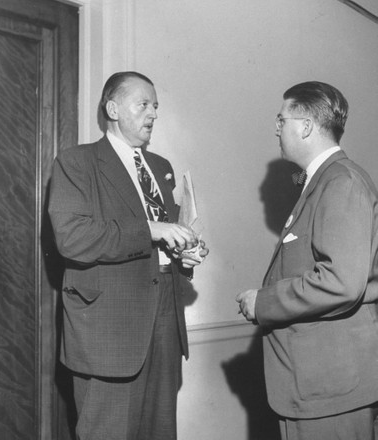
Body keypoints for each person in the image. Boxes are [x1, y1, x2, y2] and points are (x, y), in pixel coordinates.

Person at [48, 71, 208, 440]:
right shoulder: (76, 163)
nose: (153, 114)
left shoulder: (161, 169)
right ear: (113, 108)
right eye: (144, 104)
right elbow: (73, 239)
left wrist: (186, 253)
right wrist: (153, 229)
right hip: (110, 333)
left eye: (156, 106)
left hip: (165, 324)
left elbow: (166, 243)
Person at [236, 81, 378, 440]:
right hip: (315, 386)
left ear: (305, 126)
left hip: (331, 391)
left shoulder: (341, 182)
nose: (276, 128)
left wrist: (262, 302)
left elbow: (341, 283)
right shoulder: (322, 181)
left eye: (281, 119)